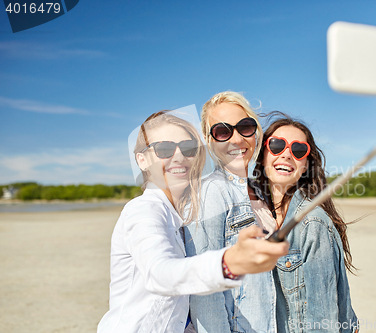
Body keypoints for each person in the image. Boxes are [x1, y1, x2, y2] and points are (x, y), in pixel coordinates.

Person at [97, 110, 288, 333]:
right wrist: (229, 262)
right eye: (164, 149)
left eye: (187, 148)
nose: (178, 156)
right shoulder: (144, 209)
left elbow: (177, 308)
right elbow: (160, 274)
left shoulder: (180, 216)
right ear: (142, 160)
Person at [253, 113, 359, 333]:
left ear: (305, 166)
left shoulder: (312, 223)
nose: (287, 155)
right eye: (276, 145)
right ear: (263, 154)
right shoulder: (256, 213)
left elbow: (322, 322)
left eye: (298, 150)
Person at [184, 92, 278, 333]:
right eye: (223, 132)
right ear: (209, 140)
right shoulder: (211, 192)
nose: (236, 139)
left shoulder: (259, 191)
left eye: (245, 127)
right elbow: (204, 289)